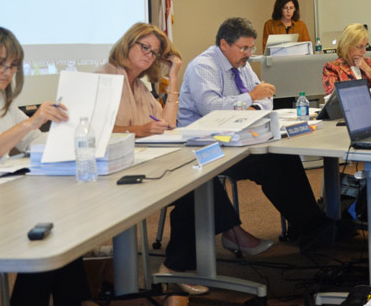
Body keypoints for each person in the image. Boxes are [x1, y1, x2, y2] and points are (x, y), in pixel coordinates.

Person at [96, 22, 271, 296]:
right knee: (196, 184)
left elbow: (167, 124)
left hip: (146, 161)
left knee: (199, 178)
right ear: (126, 44)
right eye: (144, 47)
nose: (149, 55)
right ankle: (191, 256)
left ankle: (186, 259)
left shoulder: (140, 87)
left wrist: (174, 75)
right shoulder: (105, 79)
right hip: (111, 169)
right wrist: (137, 130)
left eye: (154, 53)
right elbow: (94, 131)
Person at [0, 26, 94, 306]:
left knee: (59, 230)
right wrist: (31, 121)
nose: (7, 72)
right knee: (44, 237)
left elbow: (32, 141)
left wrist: (78, 136)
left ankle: (76, 301)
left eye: (13, 66)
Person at [179, 17, 341, 251]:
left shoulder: (242, 66)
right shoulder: (203, 67)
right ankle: (311, 226)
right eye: (244, 48)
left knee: (285, 156)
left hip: (241, 138)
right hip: (208, 147)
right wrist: (251, 98)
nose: (248, 54)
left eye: (251, 48)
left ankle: (309, 224)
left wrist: (253, 105)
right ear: (224, 44)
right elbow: (210, 108)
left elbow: (267, 96)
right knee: (270, 163)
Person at [321, 23, 371, 95]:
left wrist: (369, 72)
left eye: (365, 46)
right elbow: (334, 96)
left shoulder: (367, 63)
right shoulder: (332, 68)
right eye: (360, 47)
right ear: (347, 46)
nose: (364, 51)